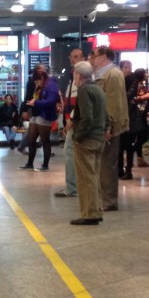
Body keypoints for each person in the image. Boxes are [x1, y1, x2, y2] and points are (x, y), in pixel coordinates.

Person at [89, 46, 130, 210]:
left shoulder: (113, 75)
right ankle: (103, 198)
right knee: (101, 165)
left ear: (104, 56)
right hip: (100, 125)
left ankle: (109, 201)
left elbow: (113, 104)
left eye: (95, 56)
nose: (93, 59)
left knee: (107, 165)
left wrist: (109, 127)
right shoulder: (103, 74)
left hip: (108, 127)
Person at [69, 61, 107, 225]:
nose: (74, 78)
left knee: (85, 178)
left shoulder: (84, 91)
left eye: (74, 74)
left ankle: (89, 213)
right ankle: (97, 209)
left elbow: (87, 117)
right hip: (99, 138)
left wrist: (77, 137)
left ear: (79, 75)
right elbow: (105, 114)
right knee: (94, 176)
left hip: (86, 140)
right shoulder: (98, 89)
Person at [19, 66, 60, 171]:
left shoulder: (51, 85)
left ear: (42, 78)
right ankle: (30, 164)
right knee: (31, 139)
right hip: (36, 113)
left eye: (37, 82)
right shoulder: (42, 85)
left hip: (45, 115)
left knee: (45, 140)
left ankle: (45, 165)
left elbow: (51, 101)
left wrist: (36, 102)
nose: (37, 84)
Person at [55, 48, 83, 197]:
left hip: (78, 121)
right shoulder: (73, 76)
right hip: (72, 120)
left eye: (76, 57)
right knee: (74, 153)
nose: (73, 59)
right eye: (71, 57)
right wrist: (66, 119)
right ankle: (75, 186)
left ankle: (73, 188)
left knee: (69, 151)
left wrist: (71, 120)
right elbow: (70, 101)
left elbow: (80, 101)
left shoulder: (83, 76)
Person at [117, 60, 135, 179]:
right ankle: (119, 170)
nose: (128, 69)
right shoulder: (118, 79)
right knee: (119, 146)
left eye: (129, 67)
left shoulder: (133, 79)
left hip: (130, 116)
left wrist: (120, 97)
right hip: (119, 115)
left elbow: (130, 93)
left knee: (128, 146)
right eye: (126, 67)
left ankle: (128, 170)